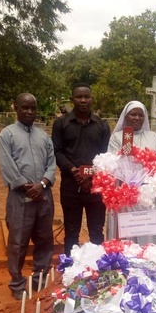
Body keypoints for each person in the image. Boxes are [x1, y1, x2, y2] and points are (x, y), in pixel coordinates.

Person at [0, 93, 56, 299]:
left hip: (44, 196)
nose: (30, 112)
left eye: (33, 108)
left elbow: (51, 164)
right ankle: (17, 284)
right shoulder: (7, 135)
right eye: (25, 108)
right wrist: (26, 187)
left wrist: (42, 184)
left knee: (44, 239)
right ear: (16, 108)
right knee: (18, 243)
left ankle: (40, 280)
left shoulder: (43, 136)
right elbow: (7, 166)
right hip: (19, 198)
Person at [52, 83, 110, 255]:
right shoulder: (61, 123)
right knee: (71, 230)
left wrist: (89, 175)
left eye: (86, 97)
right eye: (79, 97)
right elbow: (57, 151)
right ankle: (71, 268)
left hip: (96, 186)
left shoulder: (102, 125)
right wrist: (74, 171)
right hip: (70, 186)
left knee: (97, 230)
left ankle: (98, 269)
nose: (83, 100)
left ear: (92, 99)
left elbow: (105, 156)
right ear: (72, 99)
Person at [107, 100, 156, 244]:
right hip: (126, 193)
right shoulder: (117, 137)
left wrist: (151, 180)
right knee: (127, 233)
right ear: (126, 117)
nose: (137, 118)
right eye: (133, 114)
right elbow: (112, 163)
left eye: (140, 115)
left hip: (150, 193)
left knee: (149, 233)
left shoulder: (154, 137)